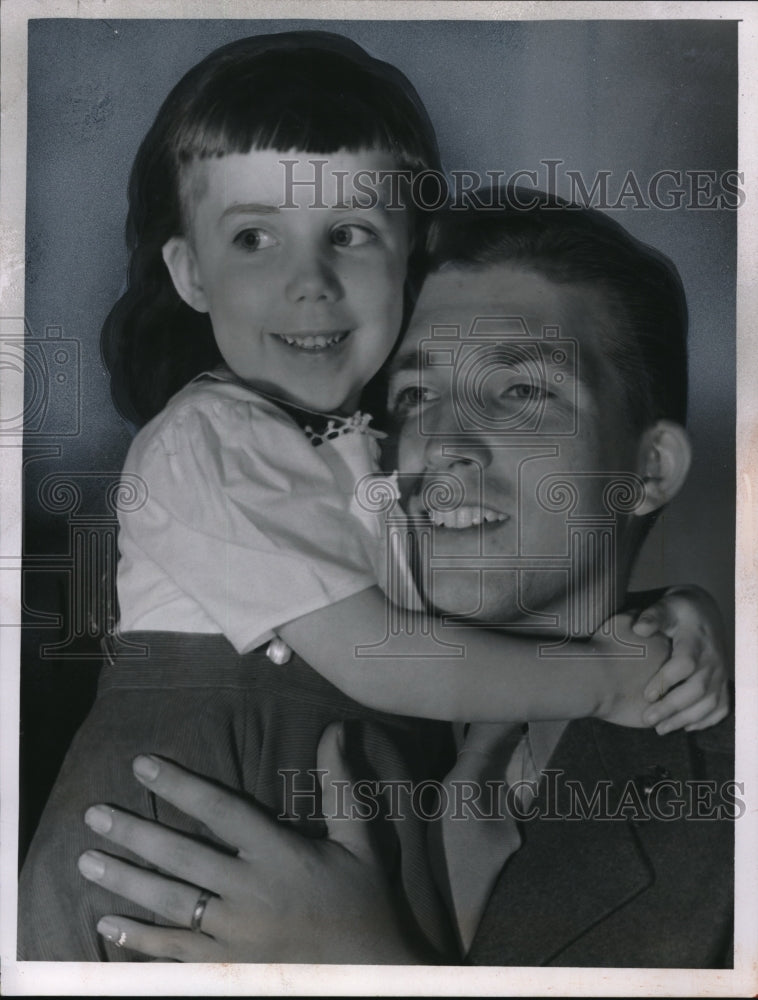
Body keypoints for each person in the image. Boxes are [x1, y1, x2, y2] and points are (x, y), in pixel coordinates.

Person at [17, 26, 725, 958]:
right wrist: (618, 667)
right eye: (417, 394)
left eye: (522, 390)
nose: (442, 447)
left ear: (652, 470)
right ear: (190, 274)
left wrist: (363, 964)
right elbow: (391, 649)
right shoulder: (213, 444)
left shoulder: (721, 804)